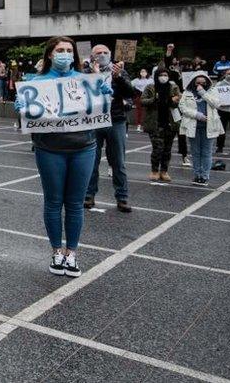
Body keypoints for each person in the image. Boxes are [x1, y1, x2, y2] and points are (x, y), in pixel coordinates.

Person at [15, 36, 111, 278]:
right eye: (60, 50)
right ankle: (56, 251)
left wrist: (104, 90)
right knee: (54, 201)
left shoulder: (85, 80)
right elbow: (27, 110)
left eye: (69, 50)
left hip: (84, 148)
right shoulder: (36, 82)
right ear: (50, 54)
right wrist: (21, 105)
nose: (65, 54)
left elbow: (103, 103)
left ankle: (72, 253)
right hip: (49, 150)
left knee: (76, 204)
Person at [83, 45, 135, 212]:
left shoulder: (118, 71)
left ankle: (122, 197)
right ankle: (89, 195)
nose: (102, 55)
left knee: (118, 161)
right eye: (99, 53)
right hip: (94, 121)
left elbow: (130, 92)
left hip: (116, 121)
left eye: (105, 53)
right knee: (92, 161)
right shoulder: (85, 72)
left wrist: (118, 77)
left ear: (110, 55)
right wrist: (93, 74)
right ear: (92, 56)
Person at [180, 74, 223, 186]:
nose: (200, 84)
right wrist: (197, 115)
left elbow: (216, 104)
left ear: (207, 82)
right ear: (193, 82)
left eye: (203, 82)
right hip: (193, 126)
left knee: (206, 152)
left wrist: (203, 93)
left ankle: (204, 176)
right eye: (197, 82)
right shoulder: (187, 92)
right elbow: (182, 107)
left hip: (209, 127)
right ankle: (197, 175)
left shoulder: (212, 91)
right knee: (195, 152)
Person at [141, 68, 180, 182]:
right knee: (157, 149)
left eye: (165, 75)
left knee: (167, 149)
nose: (163, 77)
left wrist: (175, 100)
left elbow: (178, 101)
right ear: (156, 76)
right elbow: (143, 100)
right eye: (161, 75)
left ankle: (164, 171)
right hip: (155, 123)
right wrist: (154, 99)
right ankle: (154, 171)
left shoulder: (173, 87)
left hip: (170, 123)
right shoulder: (150, 87)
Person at [215, 68, 230, 155]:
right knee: (221, 129)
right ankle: (220, 147)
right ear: (225, 75)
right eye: (228, 73)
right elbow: (216, 95)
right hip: (223, 110)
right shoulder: (219, 84)